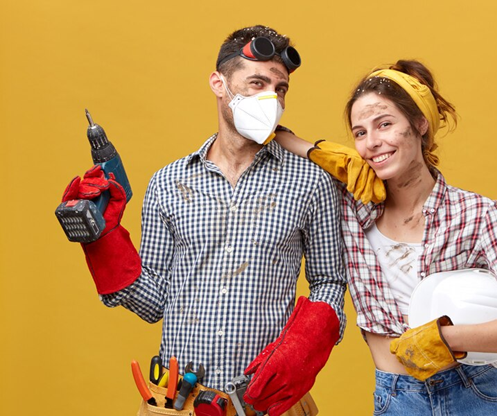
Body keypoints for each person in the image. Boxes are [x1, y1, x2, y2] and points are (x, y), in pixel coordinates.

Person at [61, 25, 346, 416]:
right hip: (177, 403)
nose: (271, 99)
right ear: (219, 83)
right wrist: (103, 241)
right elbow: (155, 303)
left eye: (279, 89)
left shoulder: (310, 181)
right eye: (256, 83)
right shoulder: (168, 183)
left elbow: (329, 280)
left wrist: (306, 344)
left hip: (268, 405)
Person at [274, 59, 497, 415]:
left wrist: (445, 338)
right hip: (397, 397)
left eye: (385, 124)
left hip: (477, 392)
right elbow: (270, 135)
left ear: (420, 124)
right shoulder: (349, 208)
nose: (373, 143)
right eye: (360, 133)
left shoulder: (476, 213)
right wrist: (317, 150)